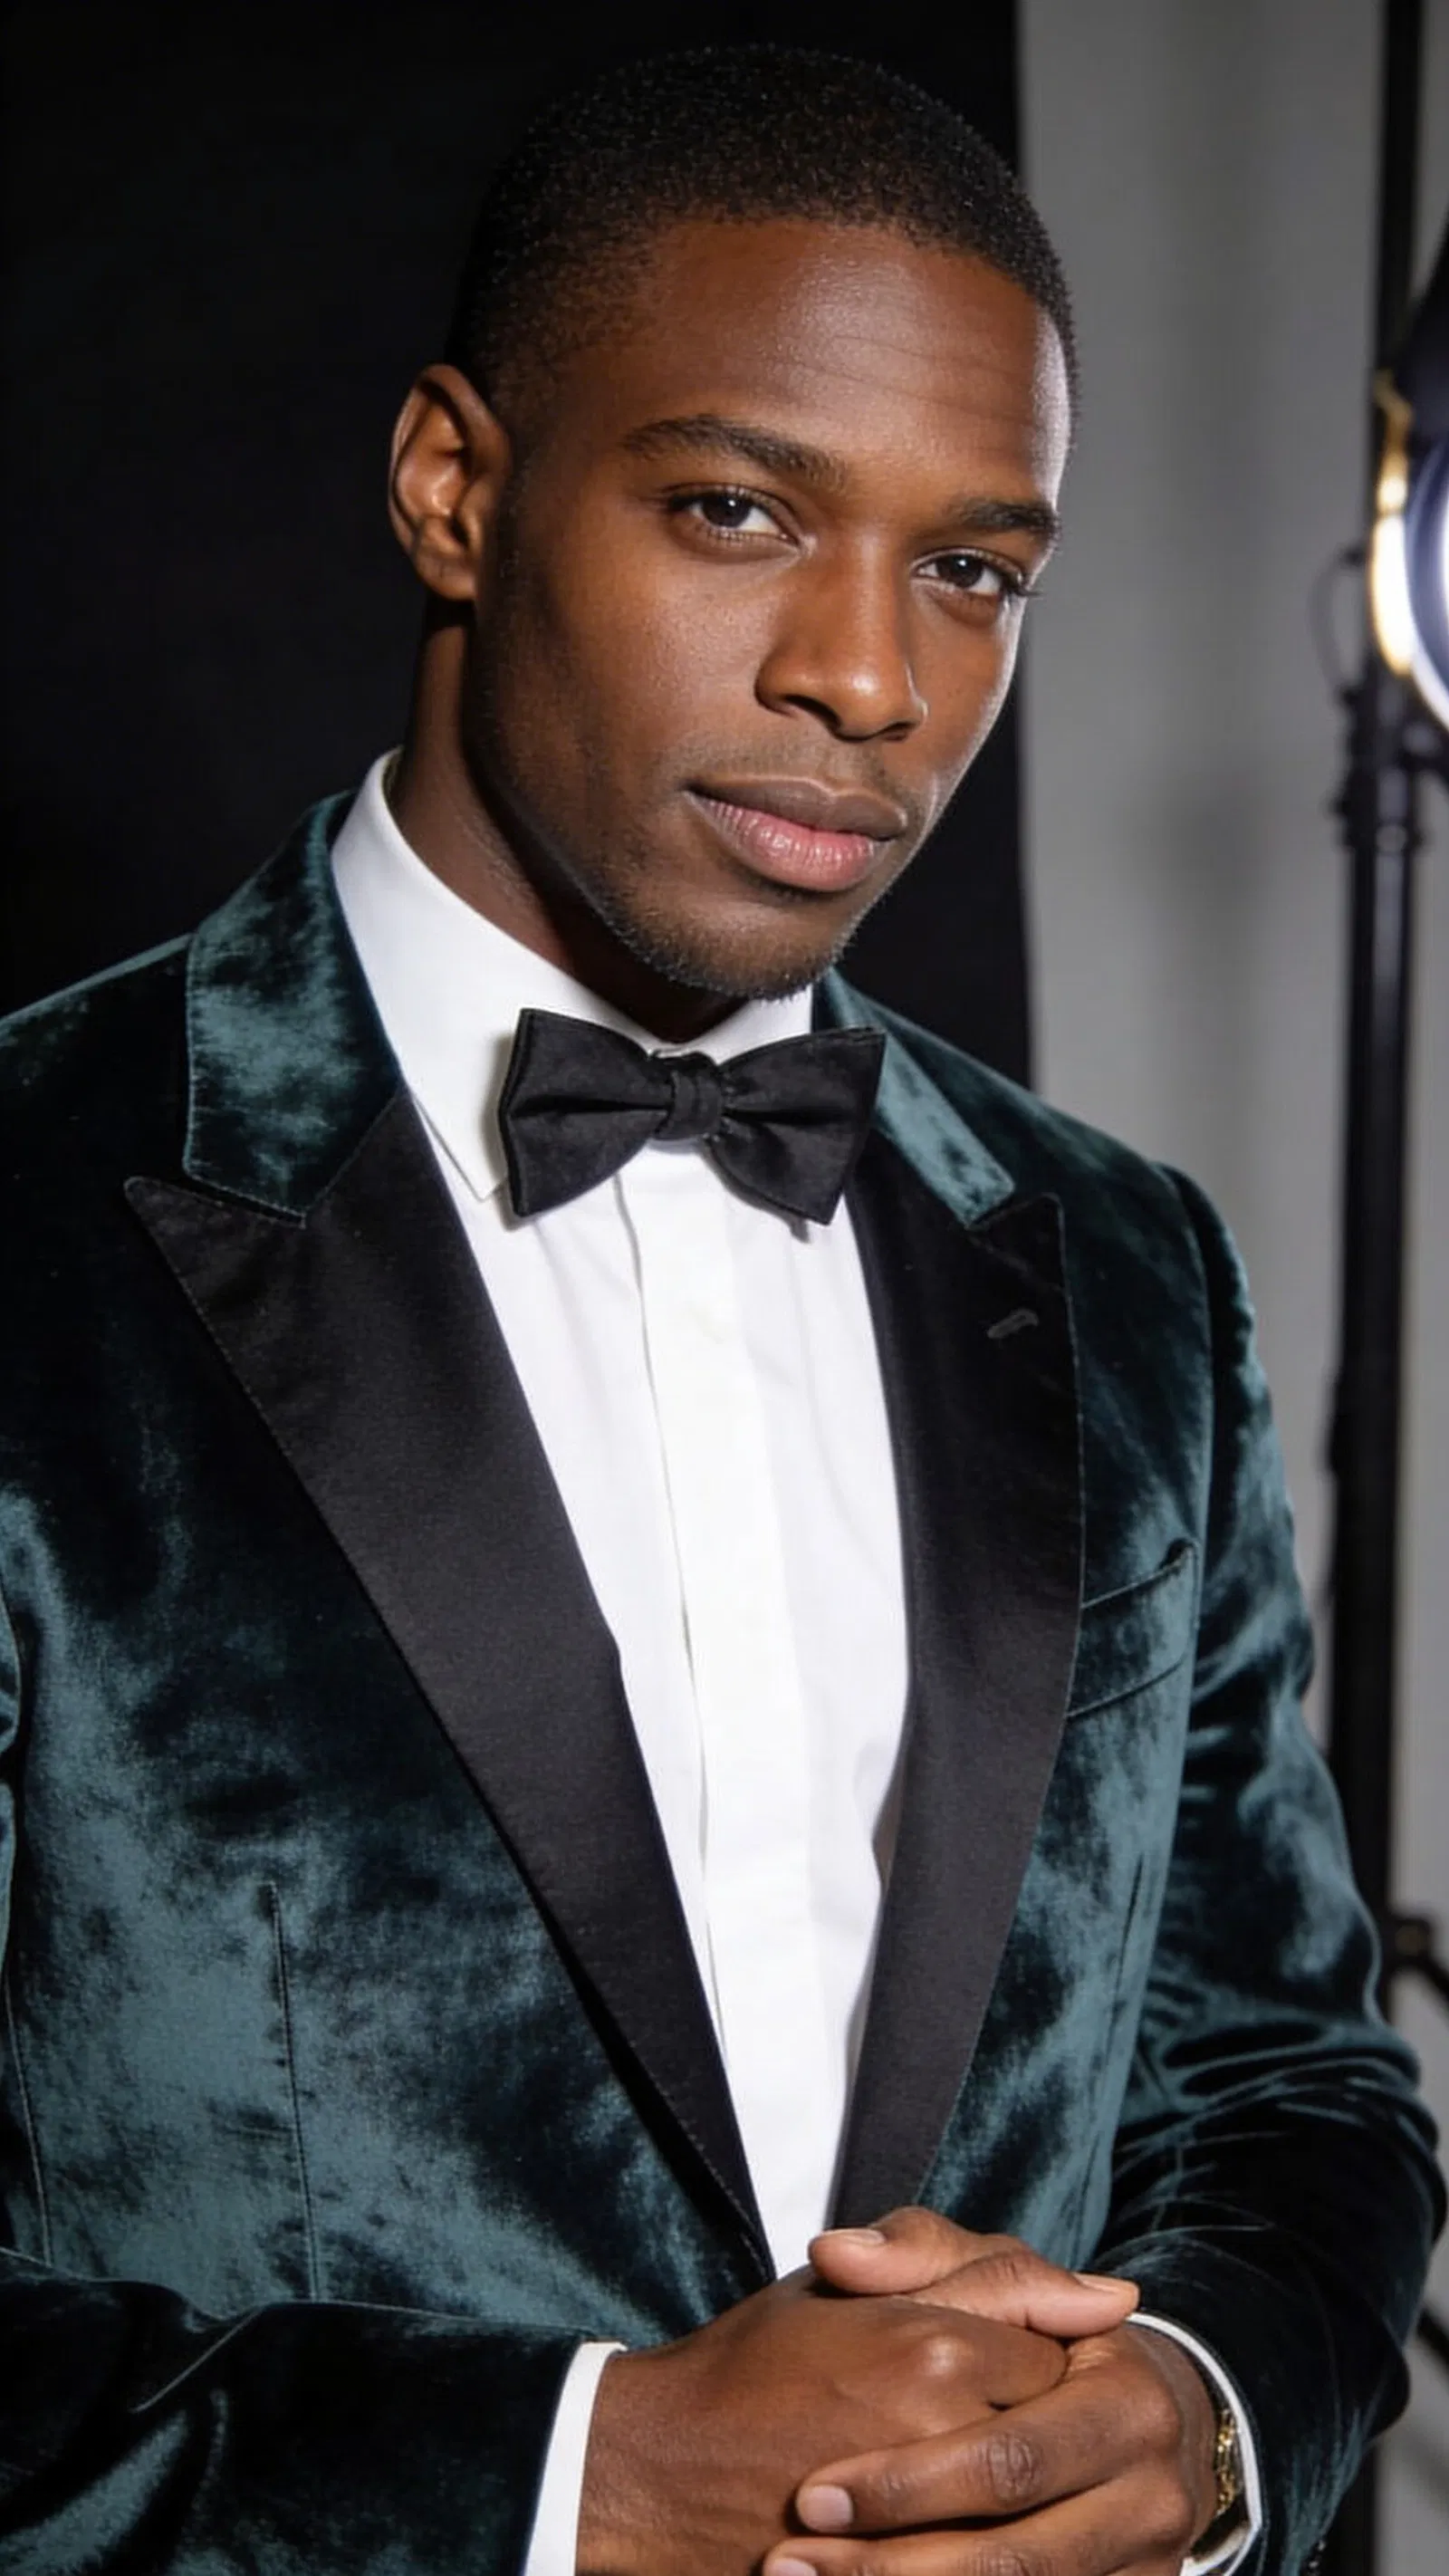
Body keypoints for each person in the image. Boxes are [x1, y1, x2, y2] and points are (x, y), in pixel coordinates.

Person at [0, 45, 1439, 2576]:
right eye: (740, 510)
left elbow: (1295, 2076)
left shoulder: (1124, 1264)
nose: (871, 682)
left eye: (975, 567)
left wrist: (1203, 2418)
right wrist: (572, 2475)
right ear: (458, 488)